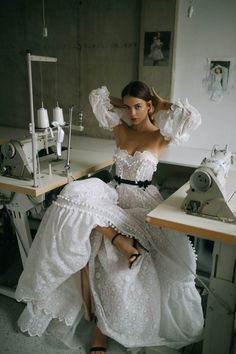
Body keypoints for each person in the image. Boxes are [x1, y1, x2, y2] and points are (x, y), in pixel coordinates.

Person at [15, 81, 204, 354]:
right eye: (127, 107)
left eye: (138, 107)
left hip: (142, 202)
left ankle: (101, 329)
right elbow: (97, 97)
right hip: (113, 195)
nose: (133, 113)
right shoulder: (120, 130)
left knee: (114, 259)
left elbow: (191, 119)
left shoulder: (162, 136)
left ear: (149, 106)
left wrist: (160, 103)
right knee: (74, 195)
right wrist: (125, 103)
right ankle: (118, 239)